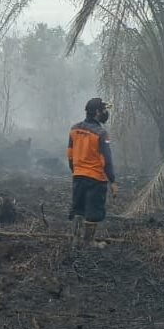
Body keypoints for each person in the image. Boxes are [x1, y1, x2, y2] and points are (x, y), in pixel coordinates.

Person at [67, 97, 117, 247]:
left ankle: (75, 240)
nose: (105, 113)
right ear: (97, 112)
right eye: (104, 110)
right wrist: (112, 181)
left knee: (78, 208)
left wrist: (75, 171)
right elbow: (106, 160)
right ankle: (88, 242)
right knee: (93, 211)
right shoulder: (101, 134)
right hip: (96, 178)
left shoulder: (74, 129)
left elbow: (70, 154)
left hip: (78, 176)